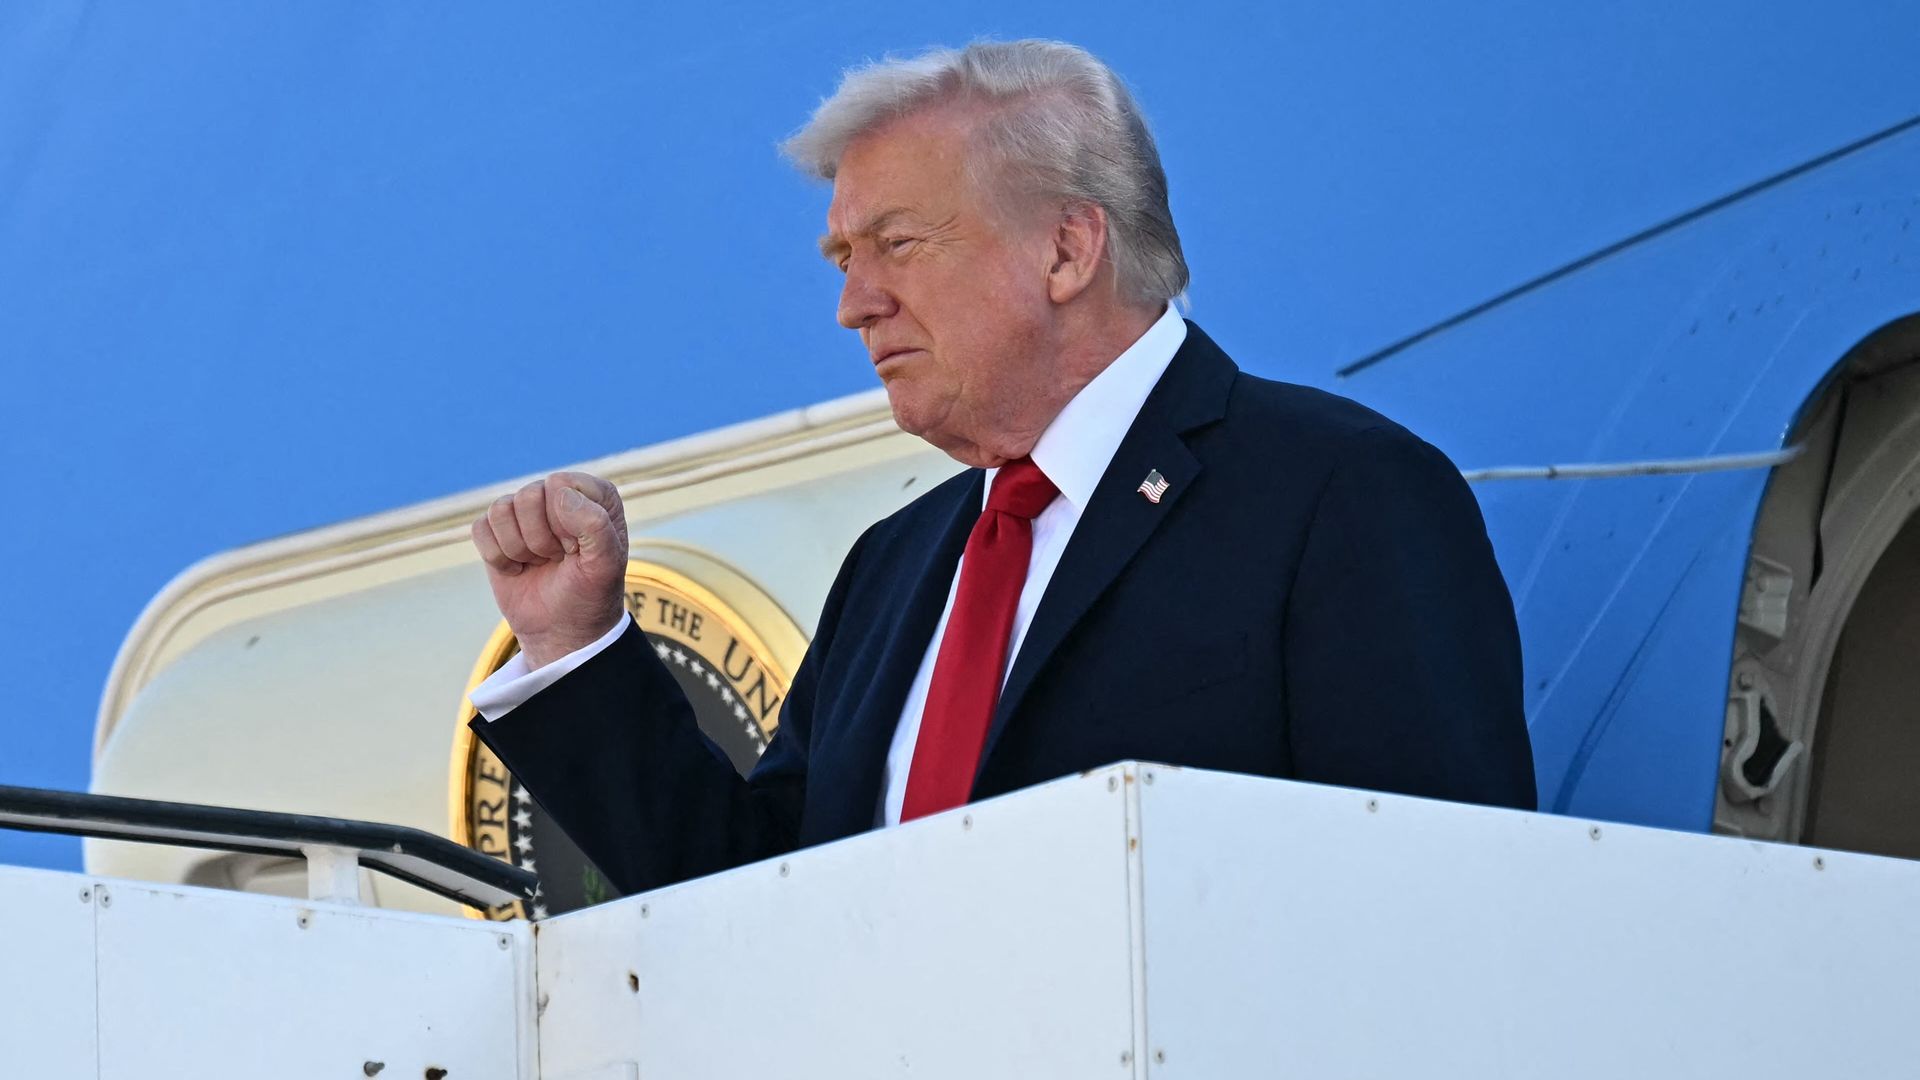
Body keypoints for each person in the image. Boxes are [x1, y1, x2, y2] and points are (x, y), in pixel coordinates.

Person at [466, 39, 1536, 896]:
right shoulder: (894, 566)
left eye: (898, 244)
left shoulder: (1339, 494)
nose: (854, 304)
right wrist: (578, 648)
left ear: (1069, 251)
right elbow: (755, 899)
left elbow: (1442, 903)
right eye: (845, 259)